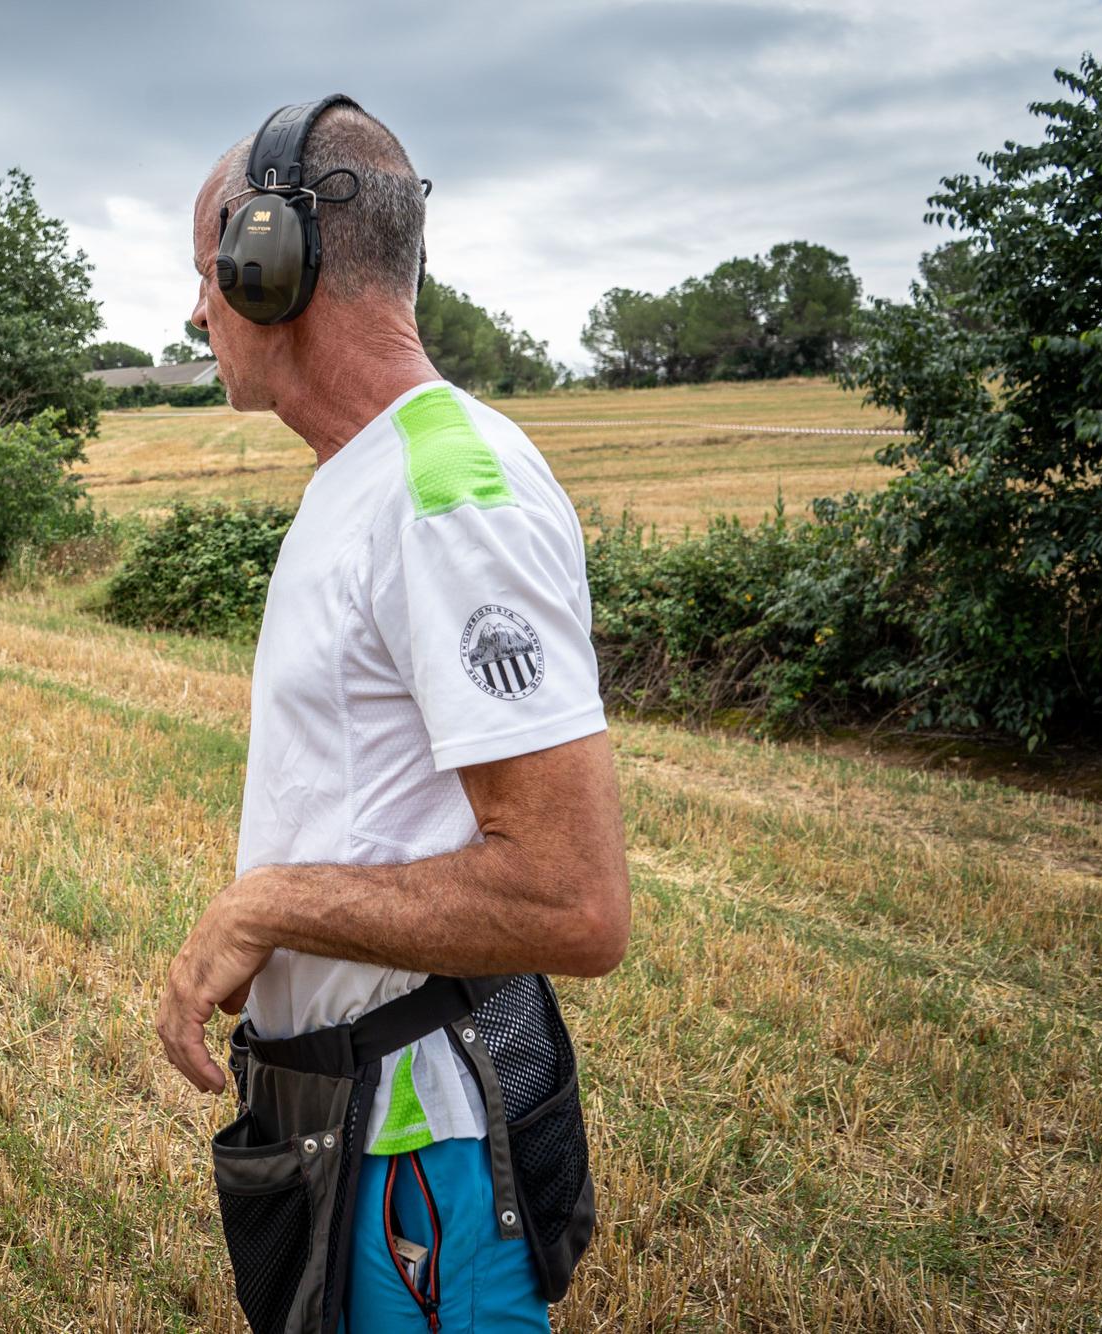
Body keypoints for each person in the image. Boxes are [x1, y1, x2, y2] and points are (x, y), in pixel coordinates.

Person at [155, 100, 631, 1332]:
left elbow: (570, 900)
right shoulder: (364, 475)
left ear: (273, 266)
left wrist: (265, 901)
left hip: (420, 1149)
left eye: (207, 278)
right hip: (356, 1122)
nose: (197, 311)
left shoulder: (443, 491)